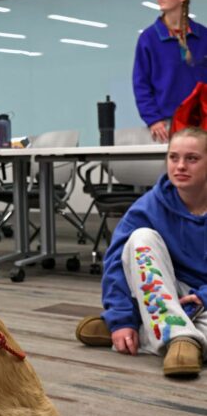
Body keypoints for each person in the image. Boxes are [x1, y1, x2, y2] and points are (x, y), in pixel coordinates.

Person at [76, 128, 207, 377]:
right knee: (140, 237)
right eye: (173, 157)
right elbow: (116, 261)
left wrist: (204, 297)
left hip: (202, 298)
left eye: (192, 158)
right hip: (164, 292)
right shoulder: (151, 204)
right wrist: (121, 318)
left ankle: (149, 329)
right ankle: (181, 339)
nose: (180, 166)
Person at [133, 0, 207, 142]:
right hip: (166, 124)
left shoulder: (203, 36)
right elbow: (141, 83)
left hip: (202, 122)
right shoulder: (149, 38)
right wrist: (153, 119)